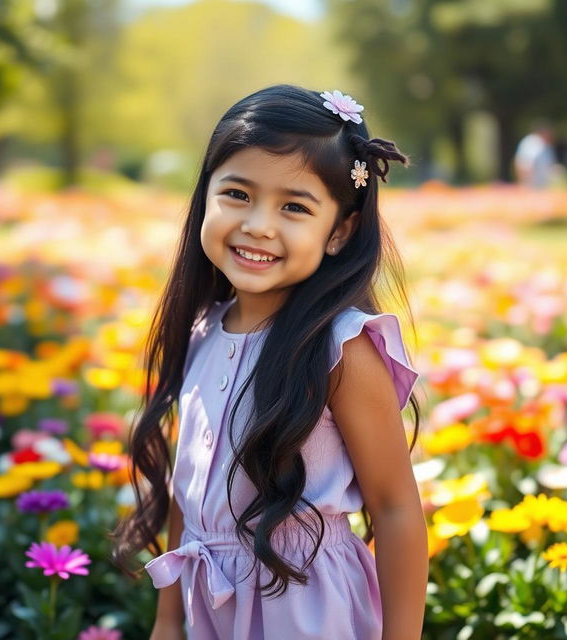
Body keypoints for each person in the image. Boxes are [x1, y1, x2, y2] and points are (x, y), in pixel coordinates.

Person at [111, 84, 427, 640]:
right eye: (237, 193)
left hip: (305, 610)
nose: (259, 224)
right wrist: (168, 619)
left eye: (294, 207)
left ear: (340, 232)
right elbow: (192, 490)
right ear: (205, 195)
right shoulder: (202, 329)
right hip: (209, 607)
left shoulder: (341, 349)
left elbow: (397, 509)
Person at [514, 119, 557, 188]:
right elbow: (524, 164)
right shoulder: (533, 142)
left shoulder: (546, 145)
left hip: (541, 186)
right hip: (532, 186)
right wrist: (525, 183)